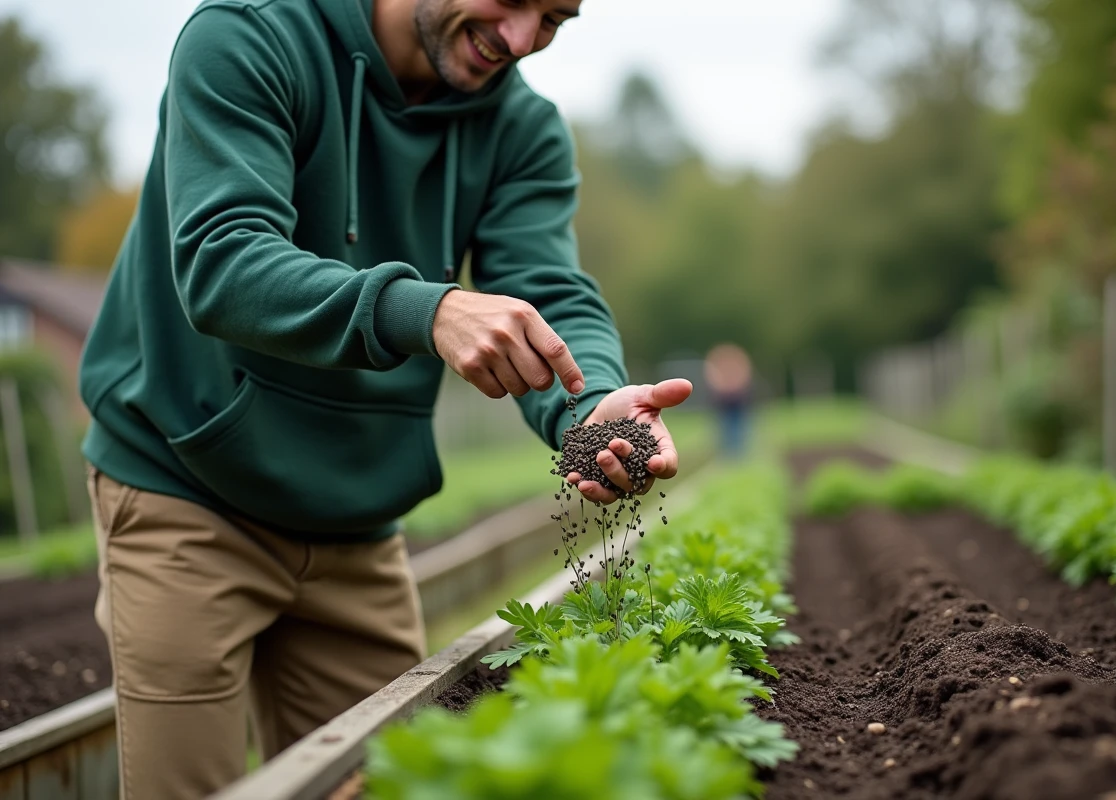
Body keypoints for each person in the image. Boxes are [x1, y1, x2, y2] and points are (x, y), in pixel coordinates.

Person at [76, 0, 692, 796]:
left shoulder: (521, 129)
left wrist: (591, 412)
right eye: (513, 1)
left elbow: (548, 291)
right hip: (185, 486)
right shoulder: (251, 36)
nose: (519, 40)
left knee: (395, 781)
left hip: (355, 521)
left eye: (554, 20)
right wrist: (427, 308)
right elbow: (224, 261)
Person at [703, 343, 753, 458]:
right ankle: (729, 451)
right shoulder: (720, 366)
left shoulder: (734, 364)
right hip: (725, 401)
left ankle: (738, 450)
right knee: (726, 426)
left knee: (737, 425)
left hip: (736, 400)